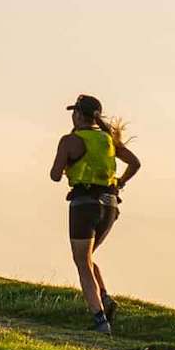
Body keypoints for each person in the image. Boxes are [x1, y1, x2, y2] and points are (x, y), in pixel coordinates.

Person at [49, 94, 140, 334]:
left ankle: (100, 321)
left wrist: (68, 163)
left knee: (82, 263)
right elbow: (135, 163)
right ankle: (106, 299)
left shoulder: (70, 140)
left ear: (78, 115)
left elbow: (55, 175)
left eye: (74, 112)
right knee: (88, 258)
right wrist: (120, 182)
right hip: (110, 205)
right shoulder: (109, 140)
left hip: (84, 204)